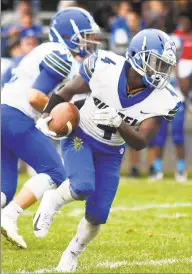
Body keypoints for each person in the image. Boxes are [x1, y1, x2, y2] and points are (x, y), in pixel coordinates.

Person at [33, 29, 180, 272]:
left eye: (165, 65)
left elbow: (141, 142)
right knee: (82, 187)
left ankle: (72, 252)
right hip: (81, 135)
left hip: (112, 151)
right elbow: (66, 92)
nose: (161, 71)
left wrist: (119, 122)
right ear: (137, 55)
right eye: (156, 62)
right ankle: (52, 200)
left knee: (98, 215)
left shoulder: (165, 99)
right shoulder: (105, 66)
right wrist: (46, 114)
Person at [1, 7, 100, 249]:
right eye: (84, 35)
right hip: (16, 116)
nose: (89, 42)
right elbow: (35, 96)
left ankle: (7, 211)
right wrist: (55, 114)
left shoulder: (44, 49)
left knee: (5, 187)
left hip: (5, 112)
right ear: (68, 35)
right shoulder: (60, 54)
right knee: (56, 173)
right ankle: (10, 216)